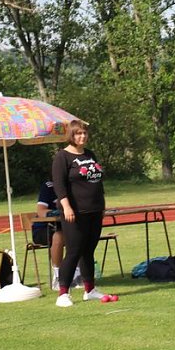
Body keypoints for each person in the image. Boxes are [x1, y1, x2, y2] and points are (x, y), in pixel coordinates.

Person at [51, 120, 110, 307]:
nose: (82, 136)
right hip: (75, 212)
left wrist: (102, 205)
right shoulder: (62, 157)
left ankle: (90, 290)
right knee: (74, 251)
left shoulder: (90, 154)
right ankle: (63, 294)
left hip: (94, 210)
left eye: (84, 133)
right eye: (78, 133)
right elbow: (59, 185)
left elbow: (97, 181)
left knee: (88, 251)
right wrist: (66, 207)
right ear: (71, 135)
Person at [33, 180, 65, 291]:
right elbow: (40, 211)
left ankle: (79, 273)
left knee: (80, 234)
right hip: (43, 229)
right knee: (58, 236)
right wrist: (56, 213)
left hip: (64, 227)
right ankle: (58, 275)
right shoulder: (49, 187)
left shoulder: (74, 186)